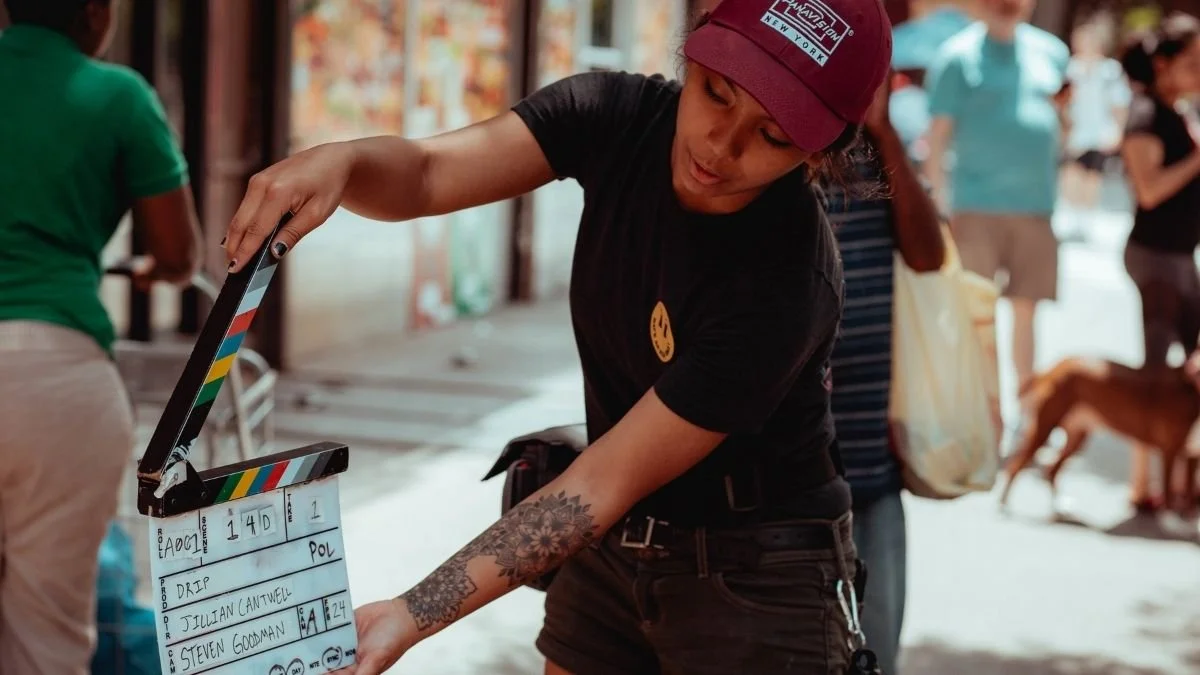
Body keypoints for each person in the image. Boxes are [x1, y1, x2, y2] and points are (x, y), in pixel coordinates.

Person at [221, 0, 893, 671]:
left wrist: (411, 611)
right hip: (610, 547)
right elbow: (428, 174)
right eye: (718, 94)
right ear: (696, 54)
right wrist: (343, 164)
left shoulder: (784, 280)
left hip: (758, 574)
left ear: (821, 152)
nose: (722, 144)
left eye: (772, 135)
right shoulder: (617, 115)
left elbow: (601, 482)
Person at [0, 1, 201, 673]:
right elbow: (180, 252)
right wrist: (150, 271)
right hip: (59, 384)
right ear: (96, 11)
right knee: (45, 629)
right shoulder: (119, 96)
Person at [825, 67, 946, 673]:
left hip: (871, 460)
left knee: (874, 653)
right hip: (788, 470)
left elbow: (930, 256)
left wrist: (885, 132)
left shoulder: (878, 159)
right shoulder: (776, 156)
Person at [923, 0, 1070, 445]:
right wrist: (942, 208)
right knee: (976, 319)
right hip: (975, 208)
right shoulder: (956, 56)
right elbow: (936, 141)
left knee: (1027, 316)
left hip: (1035, 208)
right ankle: (983, 418)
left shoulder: (1052, 52)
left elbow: (1063, 122)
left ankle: (1029, 421)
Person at [1116, 14, 1200, 513]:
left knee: (1187, 364)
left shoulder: (1172, 112)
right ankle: (1141, 482)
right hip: (1154, 256)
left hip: (1178, 257)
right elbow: (1149, 191)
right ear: (1164, 64)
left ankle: (1177, 478)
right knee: (1154, 368)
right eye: (1191, 64)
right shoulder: (1145, 114)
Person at [1060, 17, 1132, 235]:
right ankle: (1071, 215)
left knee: (1093, 175)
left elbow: (1119, 104)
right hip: (1076, 131)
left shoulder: (1110, 71)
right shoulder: (1071, 68)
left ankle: (1085, 218)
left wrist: (1117, 131)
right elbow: (1062, 101)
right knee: (1071, 172)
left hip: (1099, 131)